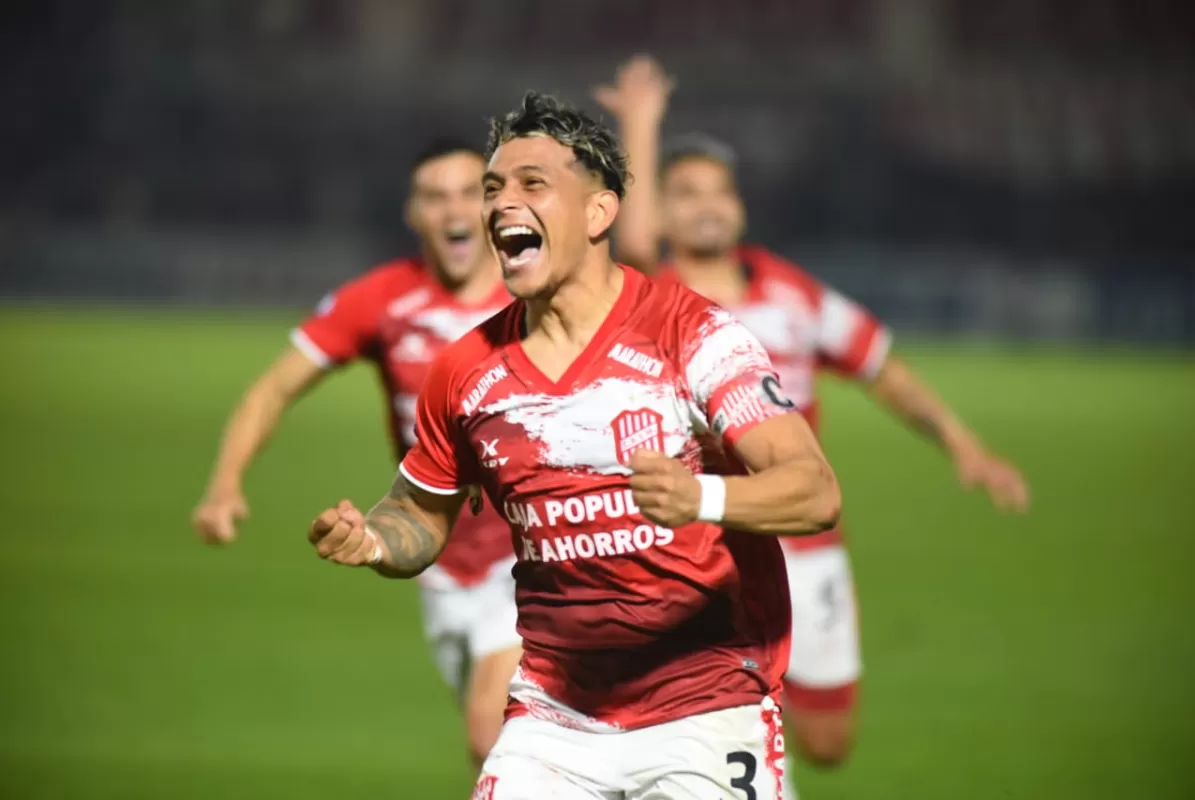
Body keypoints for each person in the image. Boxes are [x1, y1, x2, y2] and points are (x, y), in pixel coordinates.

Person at [307, 91, 844, 800]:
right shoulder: (467, 371)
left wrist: (700, 497)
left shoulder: (695, 336)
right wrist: (374, 540)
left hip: (707, 710)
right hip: (554, 719)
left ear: (599, 212)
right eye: (493, 189)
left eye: (532, 185)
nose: (500, 205)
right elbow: (420, 513)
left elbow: (813, 490)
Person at [596, 55, 1031, 787]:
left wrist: (964, 443)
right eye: (687, 192)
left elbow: (880, 365)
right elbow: (633, 242)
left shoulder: (792, 292)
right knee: (712, 712)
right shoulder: (654, 296)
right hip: (703, 546)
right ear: (661, 212)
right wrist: (640, 126)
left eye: (721, 190)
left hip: (806, 539)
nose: (709, 204)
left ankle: (759, 730)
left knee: (829, 741)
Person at [191, 140, 520, 768]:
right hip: (440, 561)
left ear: (490, 207)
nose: (452, 209)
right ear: (413, 214)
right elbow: (274, 388)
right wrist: (225, 483)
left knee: (495, 738)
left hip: (527, 555)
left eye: (467, 192)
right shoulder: (383, 300)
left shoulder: (533, 297)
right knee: (500, 759)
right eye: (434, 195)